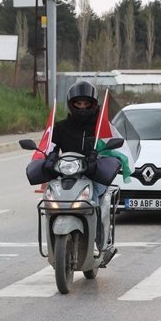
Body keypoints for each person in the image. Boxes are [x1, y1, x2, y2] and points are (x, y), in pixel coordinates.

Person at [46, 80, 110, 253]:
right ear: (71, 104)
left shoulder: (100, 128)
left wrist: (98, 156)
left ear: (93, 104)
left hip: (94, 174)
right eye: (78, 103)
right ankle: (51, 240)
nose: (82, 108)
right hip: (67, 175)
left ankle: (96, 241)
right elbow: (51, 148)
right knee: (50, 197)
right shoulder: (60, 127)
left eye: (86, 104)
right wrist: (49, 159)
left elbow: (110, 148)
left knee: (93, 195)